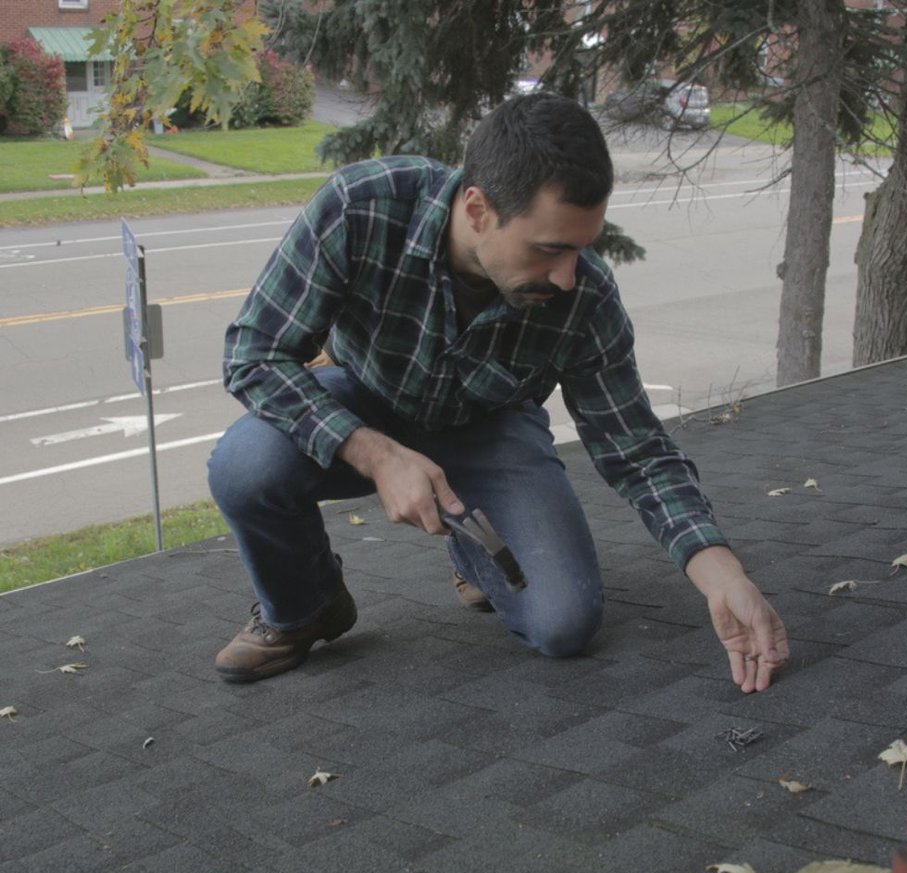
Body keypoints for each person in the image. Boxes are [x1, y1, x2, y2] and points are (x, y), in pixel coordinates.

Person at [208, 92, 788, 691]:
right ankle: (307, 607)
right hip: (363, 400)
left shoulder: (583, 294)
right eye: (549, 249)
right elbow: (254, 355)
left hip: (490, 427)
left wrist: (720, 571)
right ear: (478, 208)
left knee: (564, 625)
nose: (567, 276)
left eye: (581, 248)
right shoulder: (363, 205)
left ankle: (474, 550)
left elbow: (635, 448)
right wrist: (375, 454)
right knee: (244, 466)